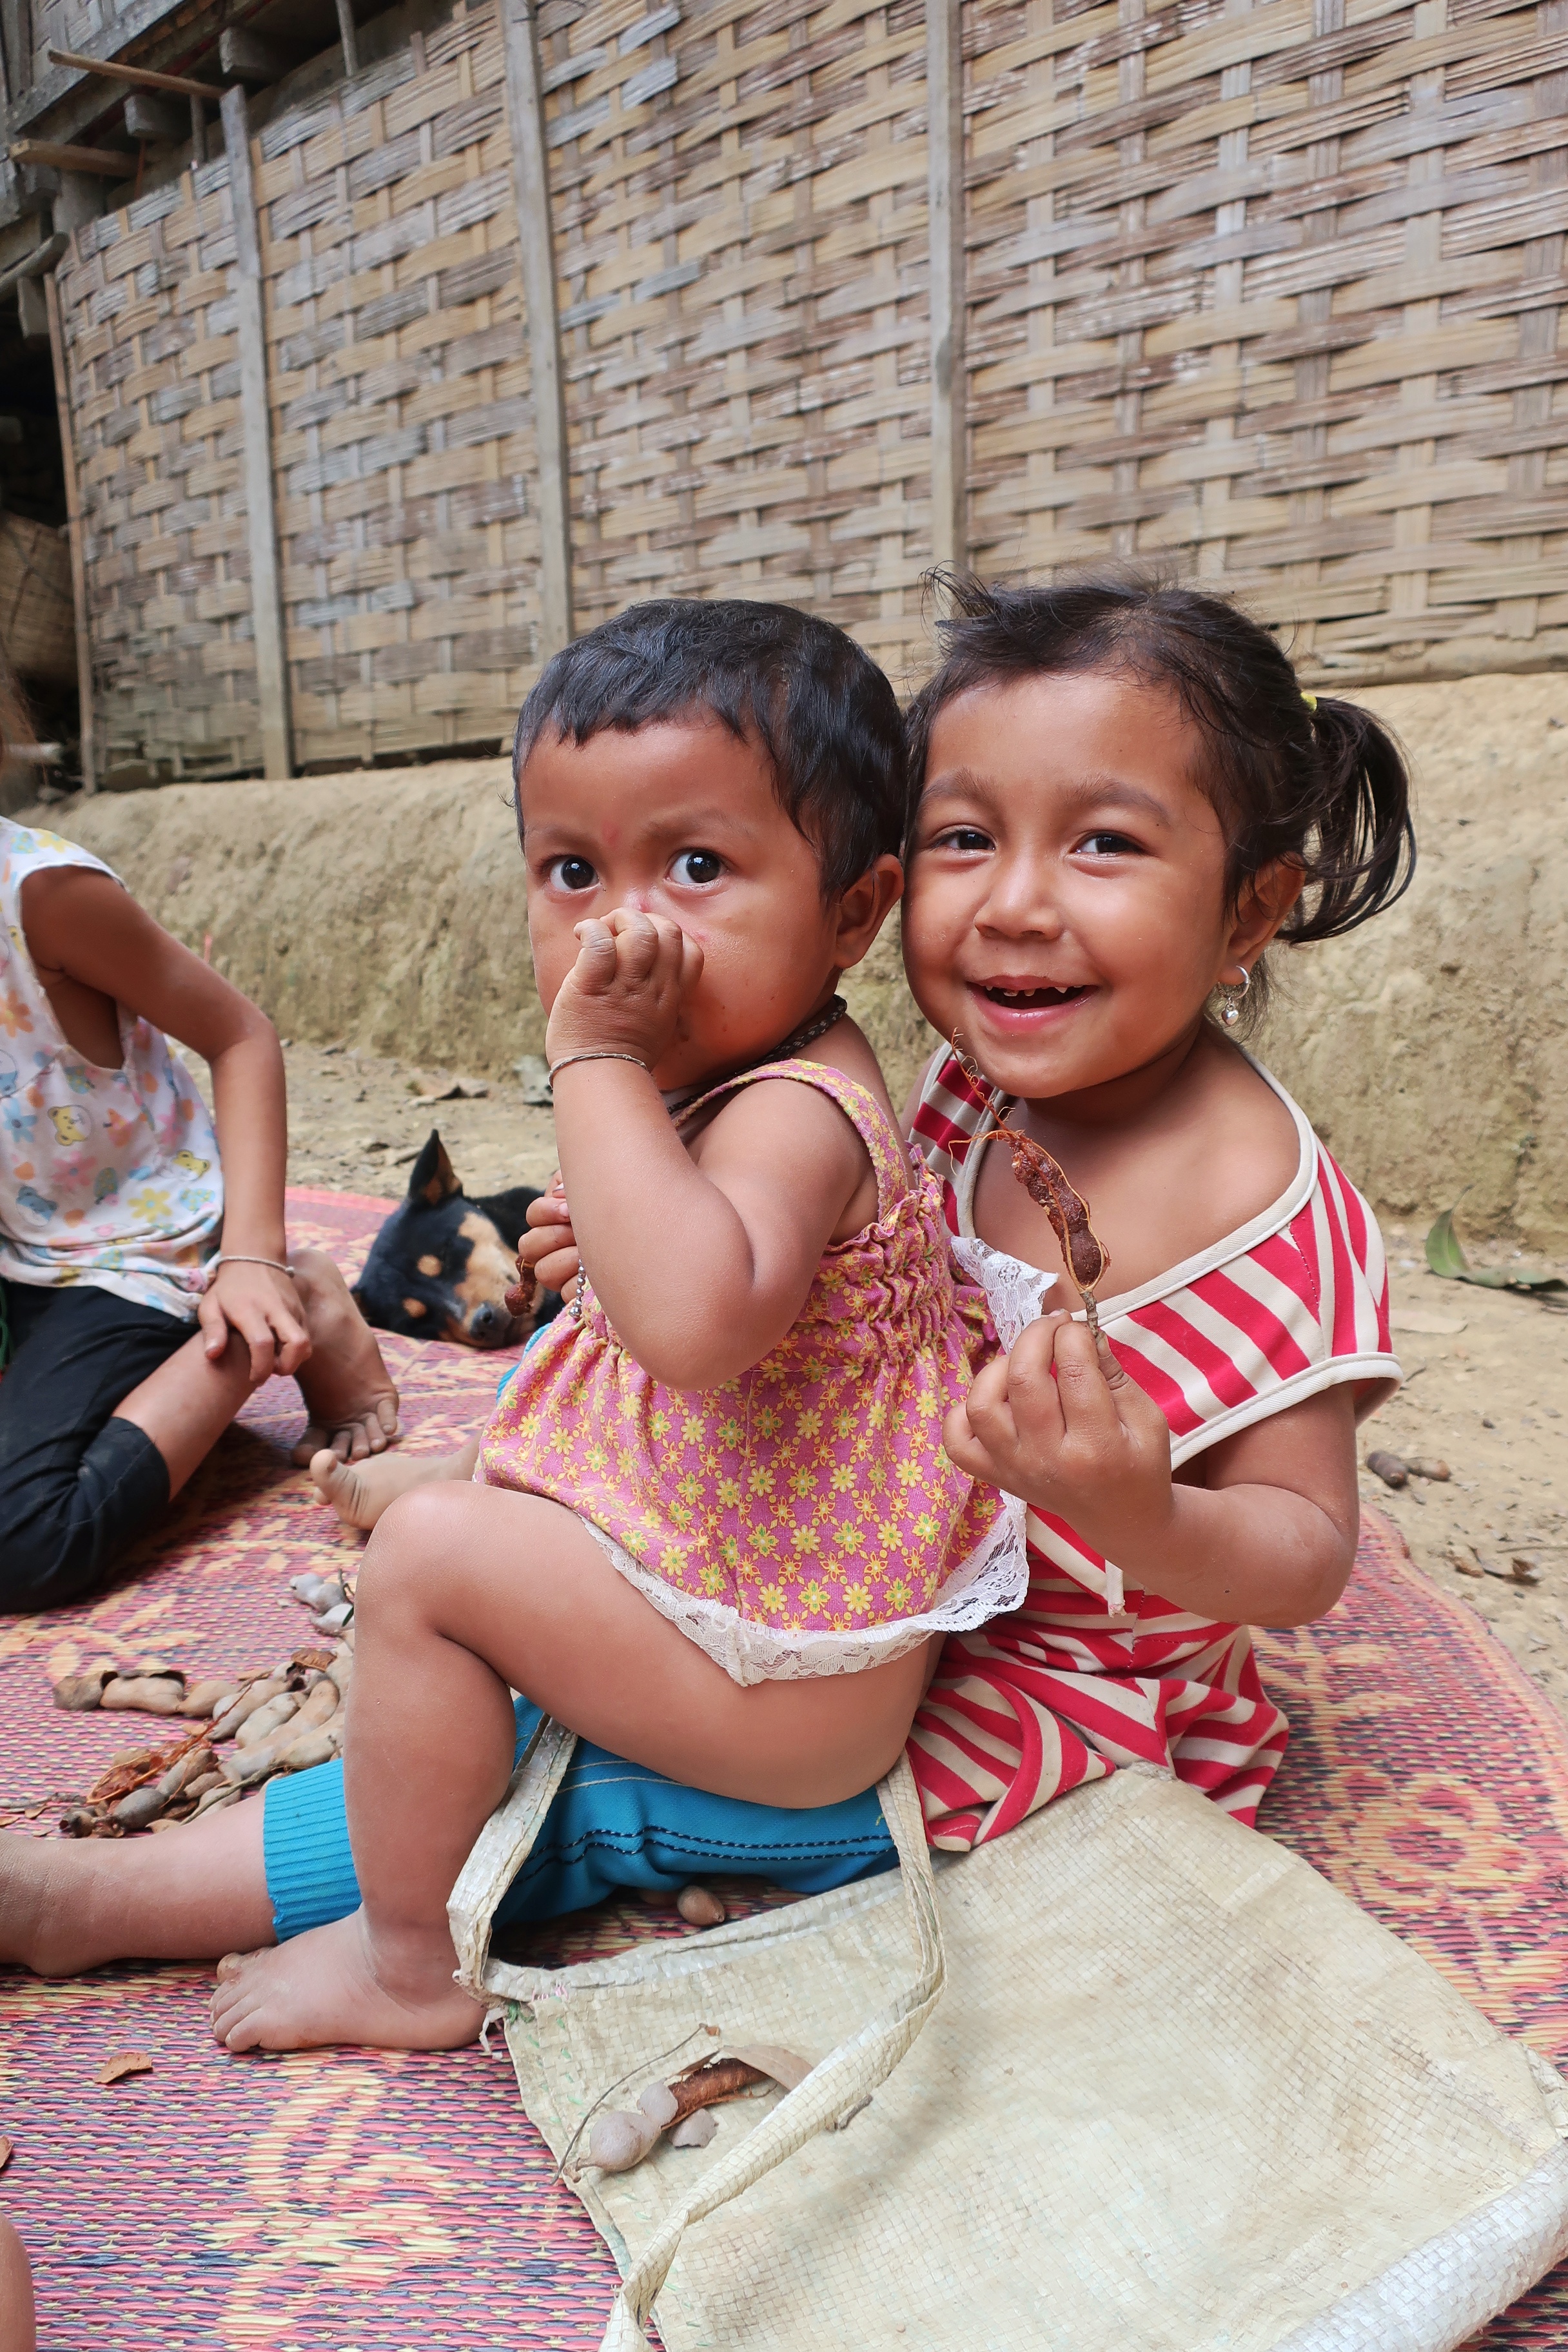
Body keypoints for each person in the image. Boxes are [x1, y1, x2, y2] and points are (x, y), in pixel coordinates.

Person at [0, 573, 1410, 2048]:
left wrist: (1136, 1511)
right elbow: (831, 1310)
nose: (1013, 904)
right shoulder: (982, 1085)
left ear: (1253, 908)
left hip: (1023, 1702)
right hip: (861, 1574)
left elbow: (1304, 1554)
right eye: (966, 838)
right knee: (516, 1594)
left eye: (1102, 842)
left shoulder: (1267, 1222)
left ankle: (142, 1909)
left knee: (550, 1772)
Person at [0, 699, 400, 1610]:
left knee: (25, 1540)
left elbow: (240, 1036)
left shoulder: (42, 897)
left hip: (134, 1250)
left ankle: (272, 1308)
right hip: (19, 1249)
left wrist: (251, 1253)